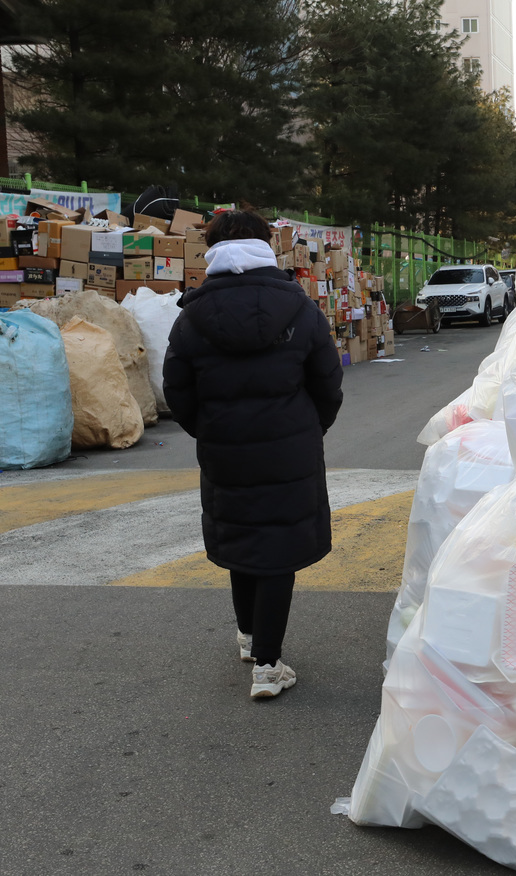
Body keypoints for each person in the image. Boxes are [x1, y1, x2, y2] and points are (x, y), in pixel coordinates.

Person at [164, 209, 343, 698]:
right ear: (267, 246)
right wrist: (310, 429)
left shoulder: (192, 315)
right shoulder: (299, 308)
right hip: (290, 451)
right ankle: (268, 666)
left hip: (225, 450)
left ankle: (249, 638)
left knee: (241, 541)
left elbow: (177, 390)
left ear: (212, 250)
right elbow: (327, 382)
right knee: (278, 549)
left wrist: (210, 431)